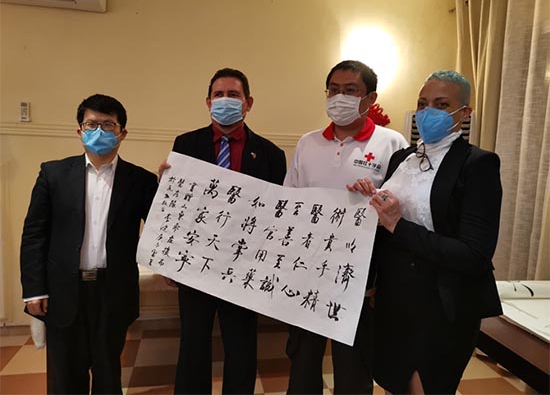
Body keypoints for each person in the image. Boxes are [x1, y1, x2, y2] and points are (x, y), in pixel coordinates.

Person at [348, 70, 503, 394]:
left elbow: (474, 254)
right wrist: (368, 200)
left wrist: (397, 224)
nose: (427, 111)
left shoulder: (477, 164)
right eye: (422, 103)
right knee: (393, 383)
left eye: (441, 104)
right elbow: (387, 223)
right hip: (393, 297)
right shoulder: (402, 158)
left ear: (464, 112)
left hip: (442, 302)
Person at [20, 94, 158, 394]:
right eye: (91, 124)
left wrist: (171, 187)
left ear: (122, 133)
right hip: (62, 291)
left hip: (113, 292)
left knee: (108, 375)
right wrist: (34, 290)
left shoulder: (142, 181)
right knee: (65, 378)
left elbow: (161, 229)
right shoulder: (53, 174)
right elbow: (34, 234)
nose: (99, 131)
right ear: (79, 131)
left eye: (108, 125)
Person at [284, 60, 408, 394]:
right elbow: (290, 200)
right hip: (308, 266)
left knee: (354, 364)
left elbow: (403, 206)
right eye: (334, 90)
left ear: (370, 98)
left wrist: (377, 197)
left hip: (361, 272)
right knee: (303, 359)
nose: (340, 97)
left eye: (350, 90)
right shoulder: (308, 143)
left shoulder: (392, 143)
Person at [161, 68, 287, 394]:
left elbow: (276, 216)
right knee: (193, 345)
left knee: (242, 346)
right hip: (194, 261)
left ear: (248, 103)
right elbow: (177, 206)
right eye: (219, 95)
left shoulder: (271, 154)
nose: (225, 100)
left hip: (244, 265)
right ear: (207, 102)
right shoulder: (186, 144)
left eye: (233, 95)